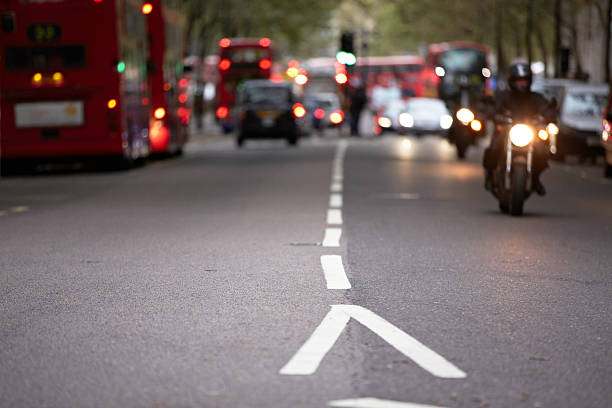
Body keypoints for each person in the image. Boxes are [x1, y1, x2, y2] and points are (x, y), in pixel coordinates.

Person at [483, 62, 555, 196]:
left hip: (529, 132)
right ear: (512, 81)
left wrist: (550, 115)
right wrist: (492, 113)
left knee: (542, 151)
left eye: (525, 81)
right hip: (508, 130)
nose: (522, 84)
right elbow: (493, 106)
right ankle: (489, 175)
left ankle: (535, 178)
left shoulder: (535, 97)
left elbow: (546, 108)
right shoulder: (504, 96)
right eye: (519, 81)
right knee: (494, 148)